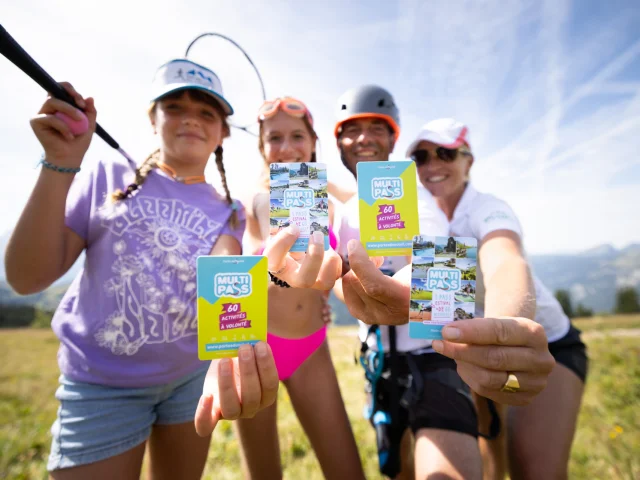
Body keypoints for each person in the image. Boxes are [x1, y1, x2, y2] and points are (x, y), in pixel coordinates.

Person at [4, 59, 340, 479]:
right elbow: (25, 277)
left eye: (206, 112)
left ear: (221, 133)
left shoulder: (229, 210)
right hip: (101, 386)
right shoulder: (110, 176)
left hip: (188, 385)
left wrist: (283, 226)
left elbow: (226, 267)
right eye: (175, 107)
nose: (191, 121)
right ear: (153, 117)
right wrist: (60, 161)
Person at [332, 85, 555, 480]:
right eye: (352, 129)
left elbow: (451, 251)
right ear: (338, 141)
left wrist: (411, 287)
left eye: (376, 128)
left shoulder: (421, 200)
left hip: (436, 356)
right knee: (396, 468)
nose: (364, 138)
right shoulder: (343, 206)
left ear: (393, 137)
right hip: (378, 361)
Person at [405, 118, 588, 479]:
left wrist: (505, 329)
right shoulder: (420, 215)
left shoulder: (487, 208)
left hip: (544, 344)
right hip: (473, 347)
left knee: (533, 470)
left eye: (445, 152)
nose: (432, 165)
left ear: (468, 161)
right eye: (421, 157)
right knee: (491, 445)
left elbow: (504, 259)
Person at [233, 97, 364, 479]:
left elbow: (366, 209)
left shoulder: (332, 199)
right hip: (255, 347)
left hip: (311, 346)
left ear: (312, 143)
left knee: (347, 470)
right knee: (264, 472)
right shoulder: (255, 197)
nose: (287, 147)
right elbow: (264, 209)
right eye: (274, 138)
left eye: (296, 136)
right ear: (262, 148)